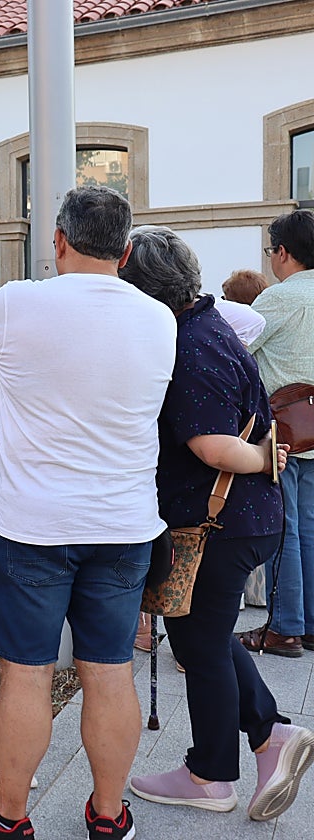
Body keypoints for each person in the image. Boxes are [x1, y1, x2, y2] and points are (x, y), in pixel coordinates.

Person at [0, 187, 176, 840]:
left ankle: (8, 818)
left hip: (34, 528)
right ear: (126, 252)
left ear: (58, 240)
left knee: (26, 673)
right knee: (109, 671)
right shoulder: (160, 319)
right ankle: (108, 817)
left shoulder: (17, 302)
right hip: (126, 526)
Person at [117, 225, 313, 822]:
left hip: (221, 518)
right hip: (241, 517)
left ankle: (210, 774)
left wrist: (257, 457)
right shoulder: (209, 325)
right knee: (205, 633)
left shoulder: (189, 342)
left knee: (199, 642)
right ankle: (269, 734)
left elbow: (209, 443)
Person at [239, 209, 314, 657]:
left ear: (283, 253)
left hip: (283, 435)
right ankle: (307, 624)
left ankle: (284, 627)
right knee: (309, 528)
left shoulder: (281, 298)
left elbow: (236, 348)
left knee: (283, 529)